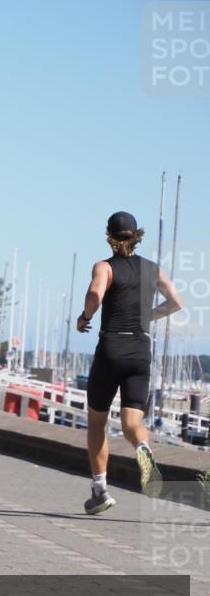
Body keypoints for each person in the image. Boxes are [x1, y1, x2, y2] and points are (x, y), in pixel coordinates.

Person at [77, 211, 183, 514]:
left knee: (97, 421)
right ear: (136, 236)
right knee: (132, 423)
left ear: (109, 236)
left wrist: (85, 317)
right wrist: (148, 316)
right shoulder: (153, 269)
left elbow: (95, 294)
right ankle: (142, 448)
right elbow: (176, 302)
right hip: (140, 350)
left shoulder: (105, 267)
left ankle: (100, 490)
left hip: (112, 347)